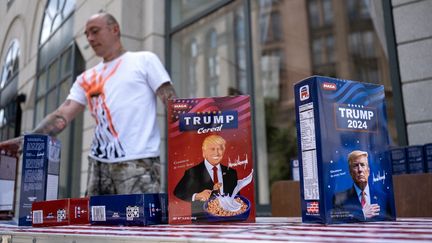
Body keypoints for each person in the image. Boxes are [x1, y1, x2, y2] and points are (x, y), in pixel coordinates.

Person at [27, 12, 177, 196]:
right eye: (87, 34)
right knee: (96, 221)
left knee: (139, 223)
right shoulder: (86, 78)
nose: (90, 38)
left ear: (115, 29)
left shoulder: (144, 60)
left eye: (95, 31)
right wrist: (28, 139)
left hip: (138, 163)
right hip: (98, 166)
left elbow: (172, 103)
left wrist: (193, 137)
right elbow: (62, 115)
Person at [174, 134, 238, 220]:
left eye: (220, 149)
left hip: (229, 220)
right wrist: (196, 196)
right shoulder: (193, 172)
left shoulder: (231, 173)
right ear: (204, 152)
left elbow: (236, 198)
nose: (217, 153)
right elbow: (178, 192)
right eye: (212, 149)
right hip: (201, 221)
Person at [332, 150, 394, 222]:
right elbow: (336, 220)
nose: (360, 170)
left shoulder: (383, 197)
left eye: (362, 165)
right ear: (350, 172)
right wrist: (362, 214)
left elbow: (389, 223)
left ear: (368, 171)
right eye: (355, 166)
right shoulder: (339, 199)